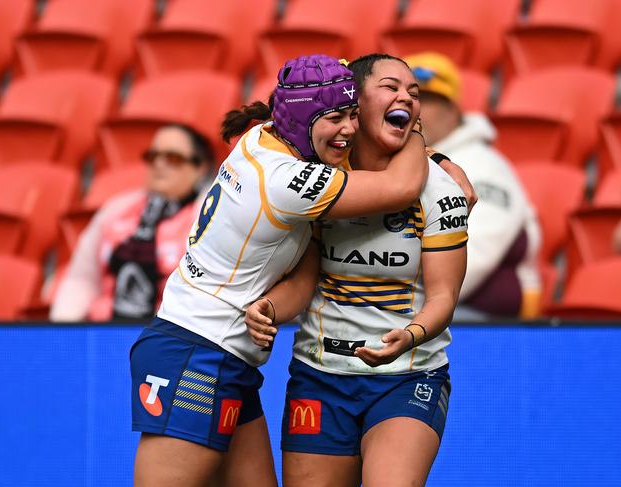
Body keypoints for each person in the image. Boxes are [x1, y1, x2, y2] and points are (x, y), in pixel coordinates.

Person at [129, 54, 443, 487]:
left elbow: (307, 269)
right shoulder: (285, 183)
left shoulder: (263, 137)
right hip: (197, 352)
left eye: (353, 114)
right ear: (303, 118)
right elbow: (401, 187)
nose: (349, 129)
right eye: (336, 117)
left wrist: (440, 160)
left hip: (224, 355)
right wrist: (416, 133)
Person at [245, 53, 469, 487]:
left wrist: (410, 336)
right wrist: (269, 308)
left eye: (414, 93)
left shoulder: (441, 191)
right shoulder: (318, 181)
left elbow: (444, 297)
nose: (406, 96)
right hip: (320, 374)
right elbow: (305, 280)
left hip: (408, 374)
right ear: (356, 103)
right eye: (390, 87)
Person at [404, 52, 542, 320]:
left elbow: (475, 259)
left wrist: (404, 310)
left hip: (484, 319)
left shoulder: (484, 166)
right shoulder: (395, 160)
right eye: (408, 99)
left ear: (454, 110)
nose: (414, 109)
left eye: (427, 100)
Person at [50, 124, 213, 321]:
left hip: (165, 336)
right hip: (102, 331)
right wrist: (64, 331)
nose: (159, 164)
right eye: (153, 157)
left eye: (173, 158)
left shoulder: (208, 216)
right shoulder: (117, 209)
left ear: (200, 167)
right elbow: (82, 278)